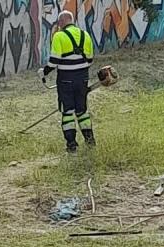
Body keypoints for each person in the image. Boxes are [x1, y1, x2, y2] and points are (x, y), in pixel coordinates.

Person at [38, 10, 96, 153]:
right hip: (83, 79)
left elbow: (54, 61)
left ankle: (71, 145)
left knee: (68, 112)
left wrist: (43, 72)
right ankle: (90, 140)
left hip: (65, 81)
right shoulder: (85, 35)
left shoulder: (59, 36)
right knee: (82, 110)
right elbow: (90, 59)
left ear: (61, 22)